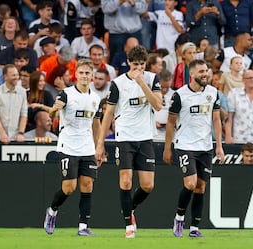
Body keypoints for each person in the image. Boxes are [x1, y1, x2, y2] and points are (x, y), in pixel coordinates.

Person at [95, 45, 162, 238]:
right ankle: (128, 226)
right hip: (125, 138)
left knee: (148, 185)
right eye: (135, 65)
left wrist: (142, 83)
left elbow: (158, 105)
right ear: (128, 63)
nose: (138, 68)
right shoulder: (118, 83)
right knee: (125, 181)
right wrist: (100, 143)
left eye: (142, 65)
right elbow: (108, 113)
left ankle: (129, 208)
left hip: (145, 137)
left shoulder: (151, 78)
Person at [163, 59, 224, 238]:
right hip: (185, 145)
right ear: (192, 75)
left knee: (200, 187)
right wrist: (168, 148)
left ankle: (195, 228)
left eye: (206, 71)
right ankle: (179, 218)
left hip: (205, 147)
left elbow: (216, 120)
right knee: (190, 183)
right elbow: (171, 122)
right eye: (201, 72)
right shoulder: (180, 95)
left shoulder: (213, 93)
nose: (205, 74)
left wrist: (219, 146)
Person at [43, 59, 102, 236]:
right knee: (69, 187)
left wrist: (98, 146)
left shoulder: (95, 98)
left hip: (87, 147)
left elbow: (96, 124)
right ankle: (52, 211)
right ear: (76, 74)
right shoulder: (66, 94)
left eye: (87, 73)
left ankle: (83, 227)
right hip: (68, 145)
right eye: (81, 73)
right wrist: (54, 110)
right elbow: (51, 113)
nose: (84, 76)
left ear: (91, 76)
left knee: (87, 185)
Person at [0, 64, 27, 143]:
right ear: (5, 77)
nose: (16, 77)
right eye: (13, 75)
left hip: (15, 137)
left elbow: (24, 114)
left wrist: (21, 133)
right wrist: (2, 133)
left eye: (17, 75)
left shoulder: (23, 92)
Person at [154, 69, 175, 140]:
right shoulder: (151, 94)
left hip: (171, 135)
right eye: (162, 87)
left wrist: (172, 123)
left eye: (167, 87)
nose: (164, 90)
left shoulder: (175, 95)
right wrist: (153, 122)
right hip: (154, 135)